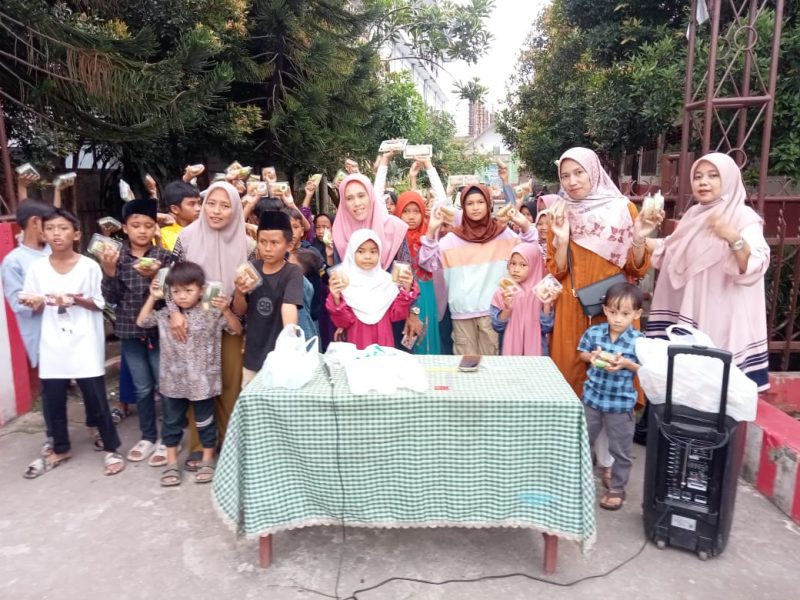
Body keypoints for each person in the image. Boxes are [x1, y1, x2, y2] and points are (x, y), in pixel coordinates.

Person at [646, 152, 770, 390]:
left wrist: (732, 237)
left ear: (729, 179)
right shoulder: (694, 215)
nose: (703, 182)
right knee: (685, 386)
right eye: (698, 176)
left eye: (713, 176)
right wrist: (639, 236)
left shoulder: (743, 217)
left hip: (722, 312)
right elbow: (671, 248)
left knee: (717, 388)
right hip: (692, 306)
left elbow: (755, 263)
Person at [20, 208, 124, 478]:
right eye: (50, 228)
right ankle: (60, 447)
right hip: (53, 341)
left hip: (84, 340)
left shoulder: (89, 266)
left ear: (76, 234)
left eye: (63, 228)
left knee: (96, 397)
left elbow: (99, 303)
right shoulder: (37, 268)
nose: (57, 234)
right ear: (43, 233)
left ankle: (111, 448)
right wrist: (34, 301)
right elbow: (33, 302)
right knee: (53, 398)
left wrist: (74, 299)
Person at [547, 147, 656, 398]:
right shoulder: (559, 211)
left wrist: (639, 238)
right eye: (565, 175)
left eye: (579, 172)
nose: (572, 181)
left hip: (615, 307)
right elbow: (556, 271)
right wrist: (562, 240)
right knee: (570, 375)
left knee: (614, 376)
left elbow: (635, 267)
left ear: (594, 172)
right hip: (572, 306)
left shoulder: (623, 208)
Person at [170, 181, 253, 469]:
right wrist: (175, 313)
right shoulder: (186, 237)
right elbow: (170, 279)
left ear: (236, 209)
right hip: (194, 327)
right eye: (212, 204)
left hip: (230, 324)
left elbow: (248, 302)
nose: (217, 211)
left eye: (225, 205)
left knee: (230, 385)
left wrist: (237, 297)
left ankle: (229, 443)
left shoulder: (248, 246)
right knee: (199, 386)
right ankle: (199, 446)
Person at [137, 261, 242, 486]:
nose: (182, 296)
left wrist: (225, 309)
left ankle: (207, 459)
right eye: (176, 291)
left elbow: (236, 329)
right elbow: (142, 321)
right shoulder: (166, 315)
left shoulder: (211, 313)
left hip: (204, 382)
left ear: (201, 290)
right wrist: (153, 297)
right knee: (172, 422)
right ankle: (171, 463)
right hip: (173, 381)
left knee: (206, 421)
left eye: (188, 290)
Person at [419, 184, 538, 355]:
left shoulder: (503, 235)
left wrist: (525, 226)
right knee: (466, 365)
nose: (475, 207)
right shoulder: (452, 239)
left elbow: (531, 252)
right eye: (470, 203)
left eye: (480, 202)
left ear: (489, 204)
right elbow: (427, 263)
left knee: (491, 364)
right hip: (462, 314)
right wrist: (431, 231)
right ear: (463, 207)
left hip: (493, 313)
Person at [100, 199, 173, 466]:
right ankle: (147, 436)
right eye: (136, 225)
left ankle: (169, 439)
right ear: (125, 228)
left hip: (159, 332)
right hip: (129, 332)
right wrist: (109, 271)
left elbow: (174, 296)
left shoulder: (164, 257)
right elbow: (110, 298)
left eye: (148, 225)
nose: (142, 230)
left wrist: (157, 277)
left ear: (155, 228)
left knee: (165, 386)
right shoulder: (115, 257)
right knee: (142, 387)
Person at [332, 172, 423, 344]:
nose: (357, 203)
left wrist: (413, 312)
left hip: (392, 316)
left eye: (361, 195)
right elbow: (341, 283)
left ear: (371, 196)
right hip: (355, 323)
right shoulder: (339, 232)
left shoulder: (393, 228)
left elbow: (406, 275)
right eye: (349, 198)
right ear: (343, 202)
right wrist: (340, 320)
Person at [578, 282, 644, 511]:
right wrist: (592, 357)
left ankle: (617, 488)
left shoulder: (639, 341)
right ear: (605, 310)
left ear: (637, 314)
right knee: (583, 442)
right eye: (613, 312)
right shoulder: (594, 332)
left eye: (625, 314)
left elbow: (645, 369)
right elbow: (582, 353)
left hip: (620, 404)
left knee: (620, 449)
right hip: (592, 399)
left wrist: (626, 364)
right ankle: (582, 480)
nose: (618, 319)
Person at [232, 211, 303, 388]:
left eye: (274, 243)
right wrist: (239, 293)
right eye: (262, 242)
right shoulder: (250, 268)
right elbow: (240, 310)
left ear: (288, 245)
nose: (267, 248)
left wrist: (290, 341)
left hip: (280, 356)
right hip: (253, 355)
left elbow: (289, 306)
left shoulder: (292, 272)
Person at [326, 229, 419, 349]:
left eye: (373, 251)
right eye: (361, 251)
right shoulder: (343, 283)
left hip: (383, 341)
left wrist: (406, 290)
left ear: (379, 254)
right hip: (356, 342)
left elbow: (396, 315)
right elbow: (343, 322)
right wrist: (336, 298)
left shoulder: (386, 281)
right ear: (351, 253)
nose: (368, 257)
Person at [394, 189, 440, 354]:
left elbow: (427, 265)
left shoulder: (428, 236)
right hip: (400, 295)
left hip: (424, 293)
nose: (411, 217)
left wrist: (430, 234)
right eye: (406, 211)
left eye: (416, 211)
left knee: (424, 334)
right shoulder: (394, 239)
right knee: (404, 338)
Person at [490, 243, 554, 356]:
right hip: (509, 355)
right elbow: (497, 326)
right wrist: (507, 309)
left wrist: (547, 305)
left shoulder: (542, 291)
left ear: (535, 266)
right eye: (513, 263)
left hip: (537, 355)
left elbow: (546, 328)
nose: (516, 269)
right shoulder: (503, 292)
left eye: (523, 265)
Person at [159, 181, 202, 252]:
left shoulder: (206, 229)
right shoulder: (163, 235)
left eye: (199, 203)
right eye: (192, 204)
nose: (198, 208)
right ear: (175, 209)